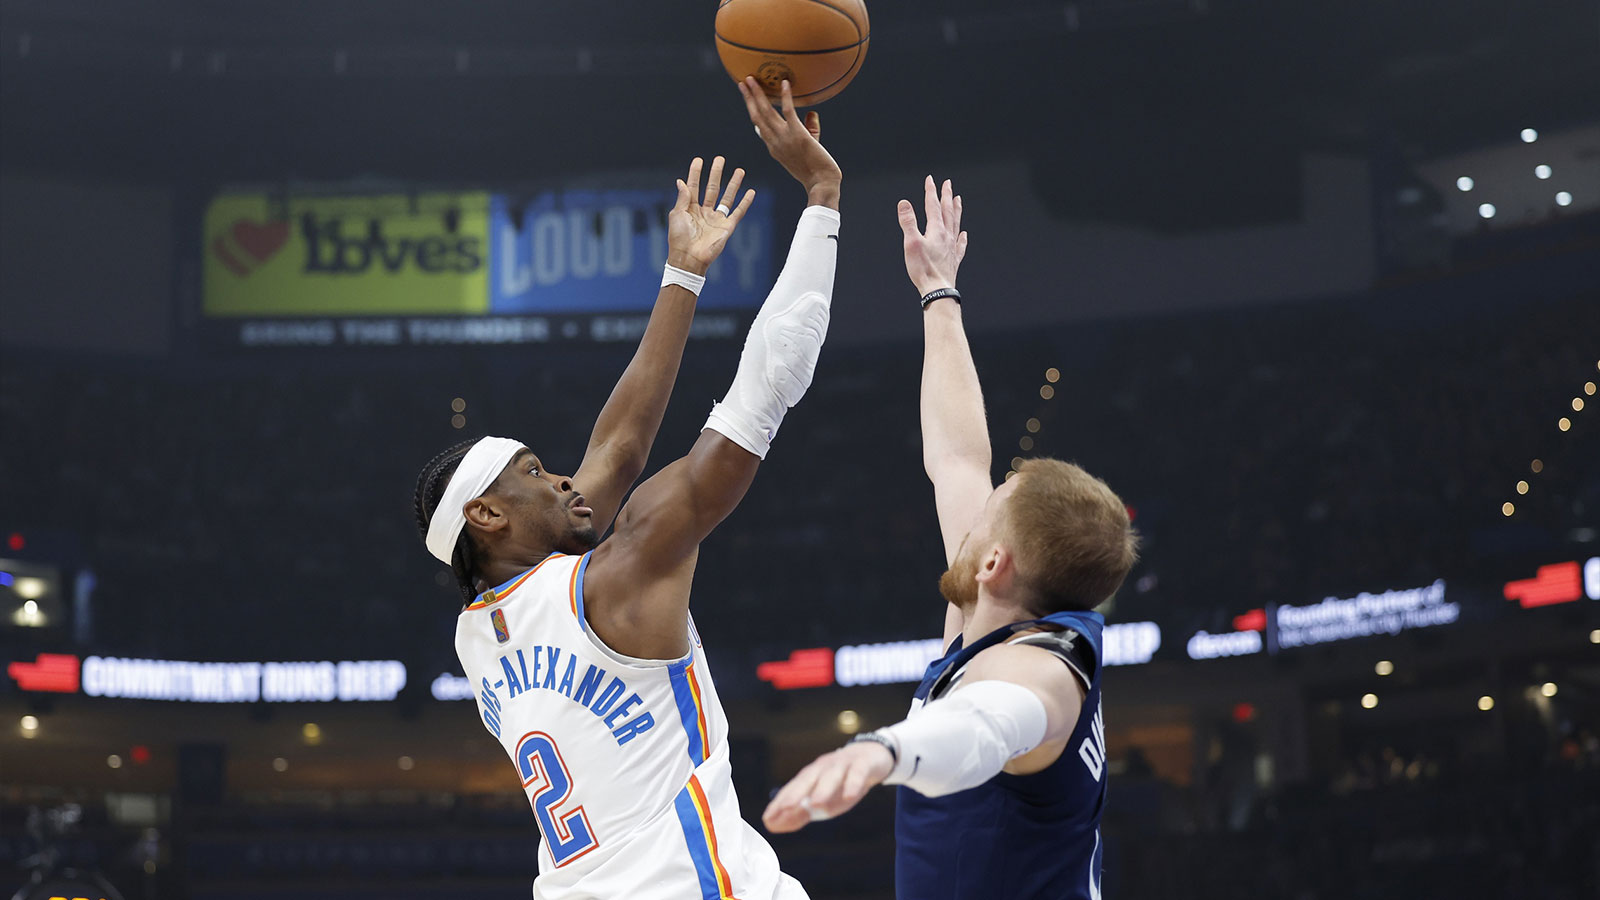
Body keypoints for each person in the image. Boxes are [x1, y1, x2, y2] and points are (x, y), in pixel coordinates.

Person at [412, 79, 840, 900]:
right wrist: (822, 199)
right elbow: (764, 390)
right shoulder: (621, 574)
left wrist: (683, 273)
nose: (567, 477)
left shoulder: (477, 634)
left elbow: (618, 448)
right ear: (488, 514)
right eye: (537, 473)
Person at [761, 177, 1139, 900]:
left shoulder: (1047, 671)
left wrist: (886, 750)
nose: (975, 507)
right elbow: (959, 458)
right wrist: (939, 293)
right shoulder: (992, 609)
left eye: (991, 509)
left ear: (995, 562)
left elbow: (985, 728)